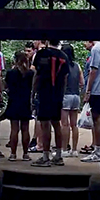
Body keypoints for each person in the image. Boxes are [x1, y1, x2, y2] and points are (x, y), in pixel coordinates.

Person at [31, 39, 69, 167]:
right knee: (56, 124)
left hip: (44, 93)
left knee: (44, 125)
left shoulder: (41, 54)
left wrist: (33, 92)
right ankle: (58, 155)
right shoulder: (64, 56)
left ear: (47, 40)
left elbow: (37, 75)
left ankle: (45, 156)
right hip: (57, 94)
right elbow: (64, 78)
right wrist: (61, 94)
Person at [4, 51, 34, 161]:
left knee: (14, 129)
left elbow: (6, 86)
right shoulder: (30, 73)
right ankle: (26, 154)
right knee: (25, 129)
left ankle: (13, 154)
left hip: (14, 101)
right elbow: (32, 87)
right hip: (25, 102)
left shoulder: (11, 72)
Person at [81, 40, 100, 163]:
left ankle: (98, 151)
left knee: (97, 120)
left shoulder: (96, 49)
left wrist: (88, 91)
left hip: (97, 89)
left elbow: (93, 70)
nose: (84, 44)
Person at [60, 43, 85, 157]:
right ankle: (74, 150)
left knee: (64, 124)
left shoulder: (63, 65)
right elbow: (82, 82)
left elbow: (63, 80)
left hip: (66, 95)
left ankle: (64, 149)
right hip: (76, 95)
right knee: (74, 124)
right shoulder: (77, 65)